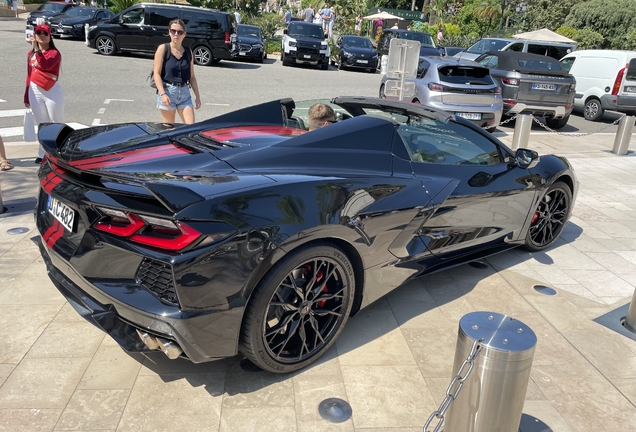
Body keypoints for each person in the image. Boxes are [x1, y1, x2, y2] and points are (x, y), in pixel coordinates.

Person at [24, 24, 64, 163]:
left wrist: (36, 50)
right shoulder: (30, 54)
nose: (41, 35)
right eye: (38, 33)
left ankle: (60, 152)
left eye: (44, 33)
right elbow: (29, 75)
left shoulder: (54, 53)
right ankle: (43, 153)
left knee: (55, 122)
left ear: (50, 36)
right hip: (34, 90)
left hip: (51, 90)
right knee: (42, 124)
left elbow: (45, 66)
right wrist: (26, 94)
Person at [153, 19, 201, 124]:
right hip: (168, 92)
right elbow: (156, 74)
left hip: (184, 93)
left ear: (184, 34)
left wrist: (197, 97)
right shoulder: (163, 49)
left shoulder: (188, 52)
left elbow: (192, 77)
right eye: (173, 31)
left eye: (179, 32)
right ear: (169, 32)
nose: (176, 34)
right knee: (169, 130)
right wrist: (162, 94)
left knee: (190, 129)